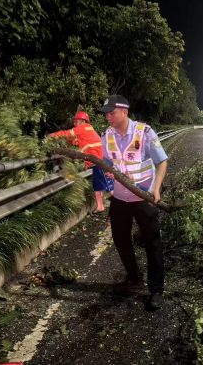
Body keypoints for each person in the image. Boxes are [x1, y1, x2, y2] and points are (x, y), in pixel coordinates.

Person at [98, 95, 168, 310]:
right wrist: (107, 174)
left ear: (125, 112)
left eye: (112, 112)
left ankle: (156, 290)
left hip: (143, 197)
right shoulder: (106, 136)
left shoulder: (144, 133)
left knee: (152, 242)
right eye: (106, 113)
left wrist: (156, 189)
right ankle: (134, 279)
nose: (108, 116)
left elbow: (162, 161)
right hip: (119, 198)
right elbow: (105, 163)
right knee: (120, 239)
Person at [50, 111, 114, 214]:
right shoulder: (87, 130)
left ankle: (121, 208)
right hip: (95, 162)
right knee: (97, 186)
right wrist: (66, 142)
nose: (75, 124)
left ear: (82, 121)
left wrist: (53, 135)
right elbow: (76, 141)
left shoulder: (83, 128)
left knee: (110, 187)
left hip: (99, 162)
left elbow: (67, 133)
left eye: (76, 121)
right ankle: (100, 206)